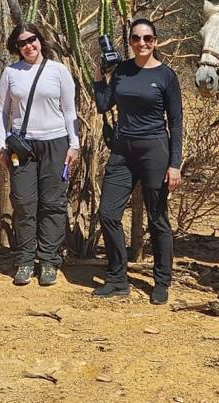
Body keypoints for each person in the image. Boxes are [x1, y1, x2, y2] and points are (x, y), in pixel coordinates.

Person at [93, 19, 183, 305]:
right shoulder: (121, 71)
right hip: (122, 151)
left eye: (147, 38)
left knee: (158, 218)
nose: (141, 44)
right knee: (107, 213)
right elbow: (103, 105)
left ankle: (162, 281)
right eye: (136, 38)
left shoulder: (166, 75)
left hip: (155, 149)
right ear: (129, 41)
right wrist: (99, 73)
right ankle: (118, 278)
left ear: (155, 41)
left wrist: (175, 164)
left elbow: (177, 122)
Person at [0, 23, 79, 288]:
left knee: (53, 202)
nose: (28, 46)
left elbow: (69, 111)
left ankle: (49, 261)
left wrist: (73, 144)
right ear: (16, 47)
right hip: (23, 145)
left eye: (32, 40)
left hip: (55, 142)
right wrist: (1, 145)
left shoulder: (58, 71)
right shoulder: (11, 72)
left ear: (40, 40)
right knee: (23, 202)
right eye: (22, 43)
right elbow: (2, 111)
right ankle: (24, 260)